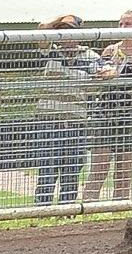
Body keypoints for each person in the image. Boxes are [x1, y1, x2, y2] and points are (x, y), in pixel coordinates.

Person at [78, 11, 132, 206]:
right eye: (120, 24)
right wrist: (106, 72)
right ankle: (87, 211)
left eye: (127, 24)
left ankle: (117, 216)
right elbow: (98, 79)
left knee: (123, 174)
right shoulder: (110, 50)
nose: (122, 28)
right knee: (99, 169)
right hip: (105, 114)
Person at [27, 17, 93, 206]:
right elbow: (41, 29)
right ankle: (42, 212)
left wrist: (107, 73)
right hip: (49, 124)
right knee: (46, 172)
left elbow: (106, 71)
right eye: (62, 30)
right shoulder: (49, 52)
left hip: (76, 125)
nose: (66, 35)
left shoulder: (90, 56)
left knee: (71, 174)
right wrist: (60, 19)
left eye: (70, 30)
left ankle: (67, 213)